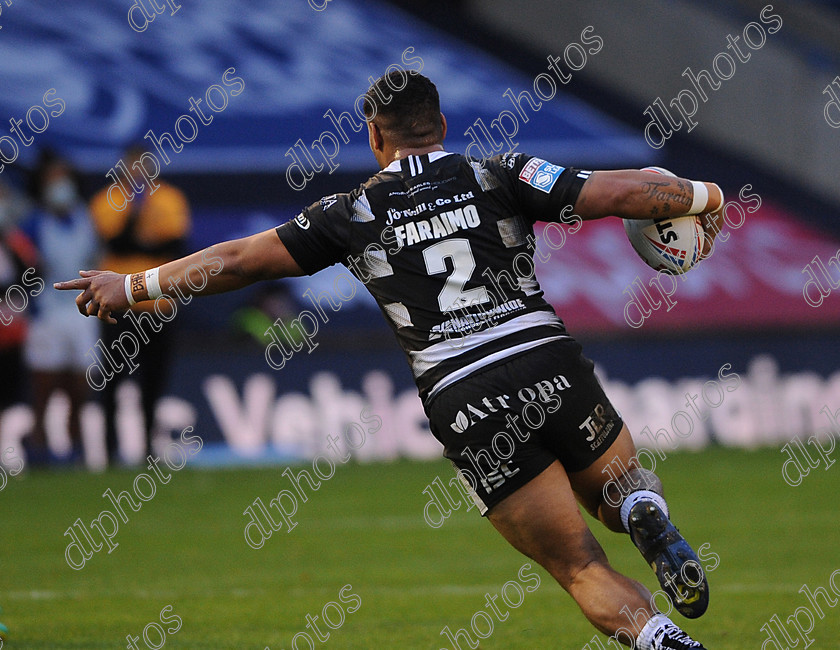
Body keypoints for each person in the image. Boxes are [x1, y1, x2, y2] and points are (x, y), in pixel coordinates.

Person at [56, 72, 725, 648]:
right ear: (440, 124)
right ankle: (645, 512)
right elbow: (616, 192)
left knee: (579, 565)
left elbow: (236, 262)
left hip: (465, 393)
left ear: (375, 136)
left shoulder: (351, 211)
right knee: (622, 484)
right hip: (546, 358)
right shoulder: (498, 172)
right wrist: (707, 197)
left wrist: (133, 286)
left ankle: (662, 640)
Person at [88, 145, 191, 464]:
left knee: (153, 380)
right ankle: (107, 451)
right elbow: (114, 241)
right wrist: (136, 214)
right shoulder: (108, 199)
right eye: (133, 165)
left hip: (156, 306)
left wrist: (143, 239)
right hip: (116, 307)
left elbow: (175, 245)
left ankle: (148, 447)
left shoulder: (170, 198)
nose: (138, 172)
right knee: (112, 380)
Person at [21, 151, 98, 466]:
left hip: (82, 314)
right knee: (44, 388)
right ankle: (38, 450)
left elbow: (95, 261)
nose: (60, 185)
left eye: (63, 178)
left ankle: (77, 451)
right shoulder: (33, 223)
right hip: (47, 315)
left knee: (79, 389)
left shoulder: (86, 218)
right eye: (53, 179)